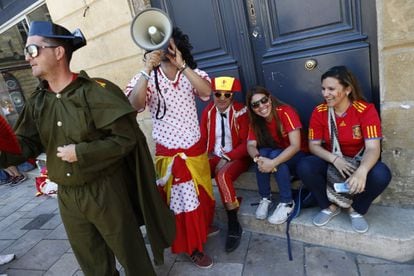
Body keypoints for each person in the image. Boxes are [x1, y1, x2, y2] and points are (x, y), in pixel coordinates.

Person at [0, 21, 175, 276]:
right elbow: (23, 147)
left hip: (106, 191)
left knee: (132, 257)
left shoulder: (96, 91)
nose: (28, 57)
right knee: (93, 264)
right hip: (68, 197)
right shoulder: (38, 102)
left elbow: (126, 139)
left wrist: (81, 153)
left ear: (59, 52)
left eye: (33, 50)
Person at [125, 27, 215, 268]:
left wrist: (182, 65)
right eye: (158, 45)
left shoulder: (192, 73)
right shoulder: (147, 79)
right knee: (183, 203)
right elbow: (135, 105)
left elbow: (207, 92)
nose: (164, 49)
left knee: (202, 195)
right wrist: (146, 69)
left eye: (168, 44)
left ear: (179, 46)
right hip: (171, 154)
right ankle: (192, 247)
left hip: (195, 150)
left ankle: (202, 228)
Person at [296, 66, 392, 233]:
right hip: (332, 161)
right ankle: (328, 206)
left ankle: (355, 210)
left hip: (357, 161)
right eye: (323, 89)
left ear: (347, 89)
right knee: (305, 166)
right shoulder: (319, 112)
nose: (325, 94)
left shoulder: (365, 110)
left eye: (331, 89)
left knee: (382, 174)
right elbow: (314, 146)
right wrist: (335, 159)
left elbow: (373, 147)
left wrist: (362, 170)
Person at [200, 76, 250, 252]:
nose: (221, 98)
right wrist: (199, 159)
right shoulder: (207, 112)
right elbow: (203, 138)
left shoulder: (241, 111)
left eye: (226, 95)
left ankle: (233, 223)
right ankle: (202, 219)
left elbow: (246, 143)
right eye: (217, 94)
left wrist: (228, 157)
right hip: (215, 155)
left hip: (237, 156)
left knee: (222, 176)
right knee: (196, 172)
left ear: (232, 96)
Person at [246, 86, 308, 224]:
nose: (261, 106)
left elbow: (295, 146)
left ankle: (287, 202)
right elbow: (250, 145)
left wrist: (272, 163)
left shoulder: (285, 112)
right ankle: (265, 198)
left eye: (263, 100)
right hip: (278, 155)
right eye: (255, 105)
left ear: (270, 98)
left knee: (273, 155)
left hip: (300, 155)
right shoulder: (256, 121)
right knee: (262, 153)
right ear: (251, 108)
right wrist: (258, 159)